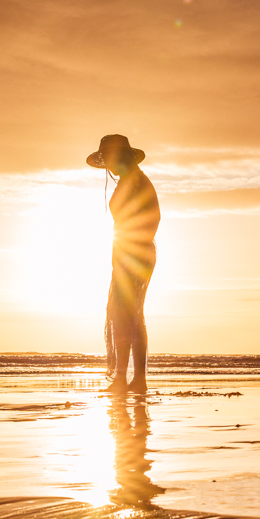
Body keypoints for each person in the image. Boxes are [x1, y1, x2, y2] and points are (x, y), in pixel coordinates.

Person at [87, 133, 160, 395]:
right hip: (130, 254)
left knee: (125, 315)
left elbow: (152, 218)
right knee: (130, 315)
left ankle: (126, 378)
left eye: (109, 158)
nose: (107, 165)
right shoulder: (132, 181)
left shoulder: (137, 182)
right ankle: (133, 379)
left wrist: (134, 250)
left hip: (135, 255)